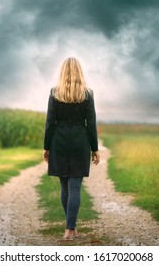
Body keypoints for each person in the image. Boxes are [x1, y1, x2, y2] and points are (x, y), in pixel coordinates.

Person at [43, 57, 100, 240]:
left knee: (64, 187)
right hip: (79, 141)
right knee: (74, 187)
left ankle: (70, 228)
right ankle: (70, 229)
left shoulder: (54, 92)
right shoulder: (88, 94)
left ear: (62, 72)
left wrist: (46, 146)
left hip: (58, 141)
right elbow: (91, 124)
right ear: (79, 72)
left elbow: (50, 122)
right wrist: (95, 148)